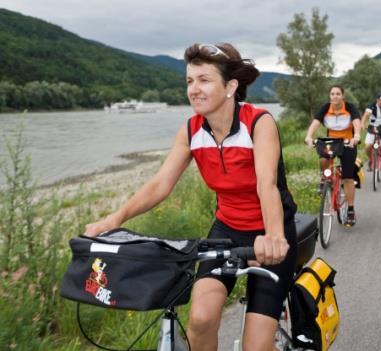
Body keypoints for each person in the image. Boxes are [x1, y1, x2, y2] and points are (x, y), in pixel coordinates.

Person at [84, 43, 298, 351]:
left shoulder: (258, 123)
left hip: (270, 231)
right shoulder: (191, 130)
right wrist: (114, 219)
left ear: (231, 86)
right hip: (226, 230)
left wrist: (275, 237)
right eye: (189, 81)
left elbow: (267, 185)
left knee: (256, 346)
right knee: (199, 321)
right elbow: (160, 185)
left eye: (204, 80)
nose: (193, 89)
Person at [304, 84, 362, 226]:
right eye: (332, 94)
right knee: (323, 159)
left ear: (343, 96)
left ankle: (350, 209)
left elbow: (357, 122)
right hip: (332, 142)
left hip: (348, 142)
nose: (334, 96)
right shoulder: (326, 108)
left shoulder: (350, 107)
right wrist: (309, 136)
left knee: (348, 177)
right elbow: (316, 122)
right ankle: (325, 179)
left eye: (337, 94)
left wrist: (357, 135)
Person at [361, 93, 381, 171]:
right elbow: (366, 115)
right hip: (373, 127)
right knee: (368, 146)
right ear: (377, 100)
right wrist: (362, 124)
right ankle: (371, 160)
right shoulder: (371, 106)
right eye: (380, 100)